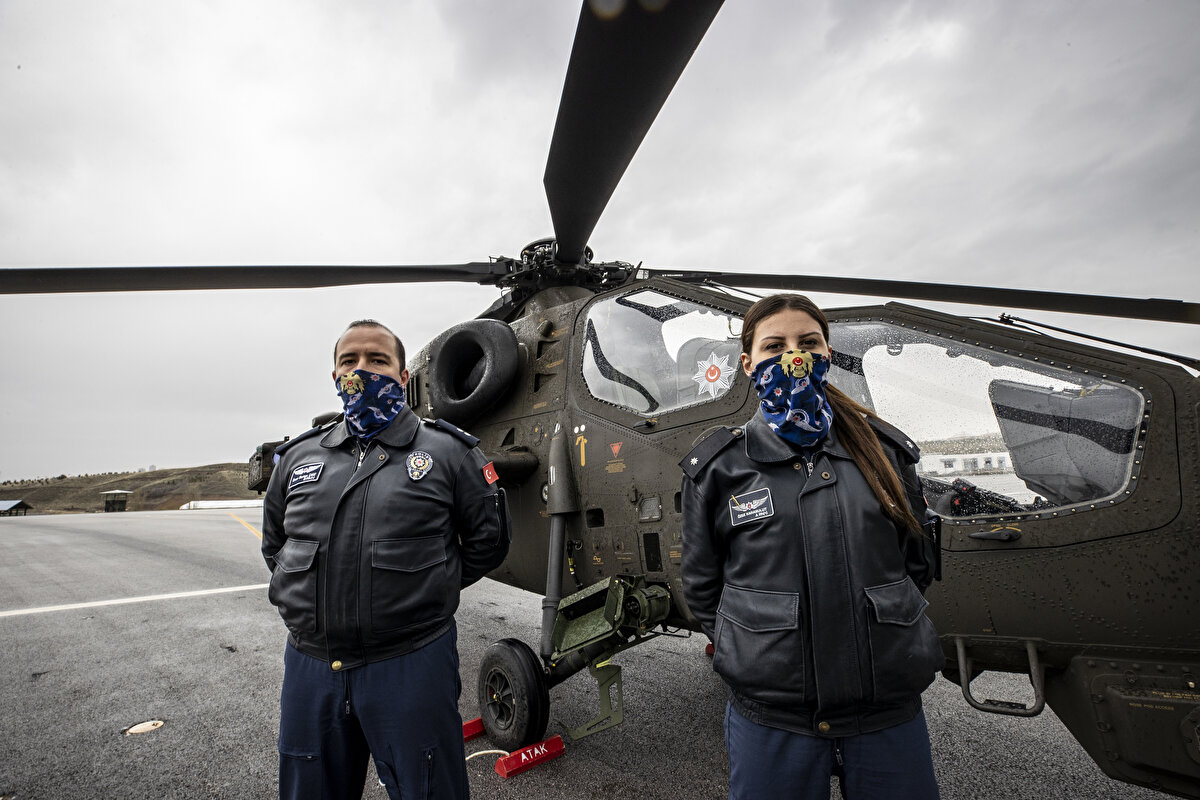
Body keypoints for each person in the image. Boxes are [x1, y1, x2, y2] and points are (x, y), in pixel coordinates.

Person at [680, 294, 942, 800]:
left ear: (827, 353)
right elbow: (703, 587)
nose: (793, 357)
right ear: (748, 363)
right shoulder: (719, 470)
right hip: (773, 719)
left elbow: (917, 564)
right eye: (774, 346)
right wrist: (758, 647)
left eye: (808, 343)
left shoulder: (884, 454)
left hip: (887, 714)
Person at [262, 319, 511, 800]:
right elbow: (276, 543)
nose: (362, 370)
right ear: (335, 376)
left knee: (429, 787)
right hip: (312, 666)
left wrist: (427, 585)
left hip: (411, 661)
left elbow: (487, 543)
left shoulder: (448, 452)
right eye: (349, 361)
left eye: (377, 360)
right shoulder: (297, 459)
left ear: (402, 377)